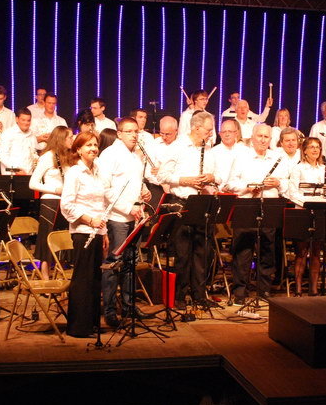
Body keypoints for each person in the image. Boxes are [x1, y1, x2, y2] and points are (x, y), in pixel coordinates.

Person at [157, 111, 217, 308]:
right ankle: (180, 296)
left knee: (202, 251)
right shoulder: (178, 147)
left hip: (202, 203)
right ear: (196, 128)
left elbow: (217, 176)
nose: (211, 133)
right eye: (208, 130)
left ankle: (199, 295)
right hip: (182, 203)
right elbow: (162, 175)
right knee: (183, 253)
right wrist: (186, 180)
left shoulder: (207, 148)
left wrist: (211, 178)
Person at [98, 118, 150, 327]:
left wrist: (144, 191)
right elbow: (106, 189)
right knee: (114, 265)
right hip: (117, 218)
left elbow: (134, 183)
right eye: (128, 131)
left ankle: (129, 307)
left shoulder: (135, 156)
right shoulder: (109, 155)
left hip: (134, 218)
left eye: (136, 131)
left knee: (131, 264)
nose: (134, 135)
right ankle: (110, 310)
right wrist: (128, 208)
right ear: (119, 134)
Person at [226, 124, 286, 304]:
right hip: (246, 205)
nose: (263, 140)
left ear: (270, 139)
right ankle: (240, 292)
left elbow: (287, 185)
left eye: (266, 137)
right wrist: (249, 187)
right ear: (252, 137)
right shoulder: (242, 157)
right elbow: (230, 183)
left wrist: (278, 183)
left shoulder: (277, 158)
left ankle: (264, 290)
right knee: (243, 251)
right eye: (259, 136)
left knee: (267, 250)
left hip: (269, 206)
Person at [60, 132, 109, 337]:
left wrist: (104, 232)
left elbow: (101, 204)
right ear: (78, 149)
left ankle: (92, 323)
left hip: (97, 231)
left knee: (95, 279)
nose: (93, 148)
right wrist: (89, 220)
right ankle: (78, 327)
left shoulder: (98, 171)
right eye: (88, 145)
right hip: (82, 232)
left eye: (95, 145)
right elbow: (66, 205)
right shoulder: (74, 173)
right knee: (83, 279)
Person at [287, 137, 326, 294]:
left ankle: (313, 289)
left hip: (319, 212)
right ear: (304, 150)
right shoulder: (298, 168)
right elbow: (292, 193)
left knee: (316, 252)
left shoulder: (324, 169)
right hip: (303, 211)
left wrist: (325, 203)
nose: (315, 150)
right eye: (312, 147)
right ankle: (298, 288)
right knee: (301, 252)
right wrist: (308, 204)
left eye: (318, 147)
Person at [29, 126, 74, 280]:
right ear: (61, 139)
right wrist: (55, 189)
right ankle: (45, 276)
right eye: (69, 137)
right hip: (50, 202)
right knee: (47, 237)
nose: (72, 140)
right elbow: (32, 183)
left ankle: (61, 273)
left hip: (65, 201)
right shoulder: (47, 157)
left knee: (63, 238)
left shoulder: (68, 156)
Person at [209, 118, 252, 191]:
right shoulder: (212, 152)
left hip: (241, 193)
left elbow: (248, 177)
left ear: (236, 133)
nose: (227, 134)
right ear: (220, 134)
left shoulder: (246, 151)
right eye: (224, 132)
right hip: (219, 193)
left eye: (230, 131)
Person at [0, 109, 36, 174]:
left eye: (28, 120)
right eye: (23, 120)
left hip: (28, 174)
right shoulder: (8, 133)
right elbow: (2, 155)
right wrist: (17, 170)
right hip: (12, 174)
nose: (26, 123)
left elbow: (33, 154)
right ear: (17, 119)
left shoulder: (32, 134)